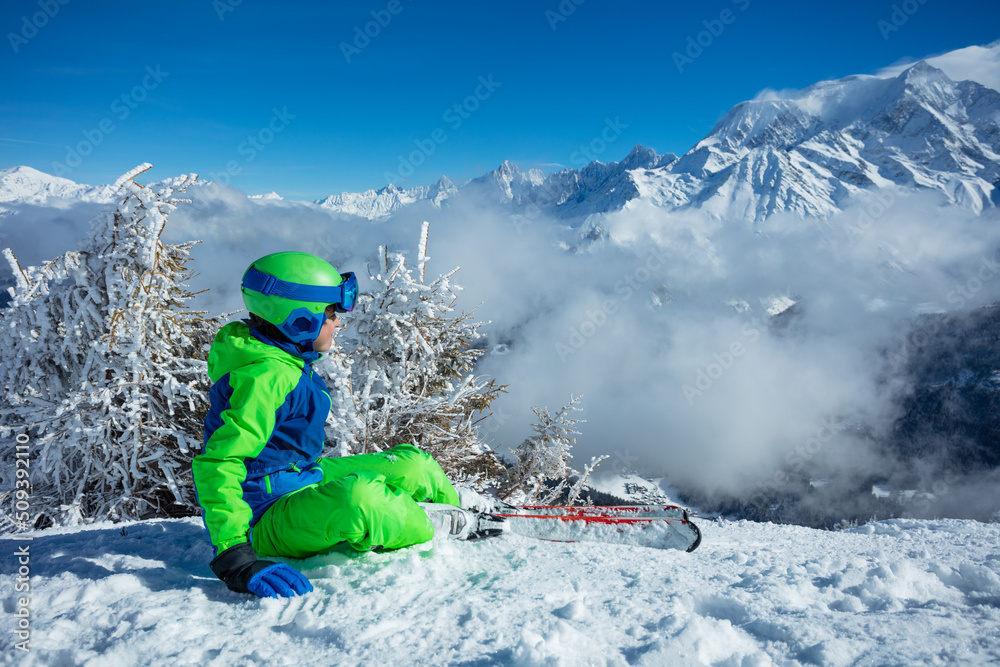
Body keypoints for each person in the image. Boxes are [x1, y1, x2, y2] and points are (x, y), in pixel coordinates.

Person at [193, 251, 505, 599]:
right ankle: (440, 523)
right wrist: (236, 558)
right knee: (360, 500)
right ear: (299, 321)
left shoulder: (282, 357)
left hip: (298, 477)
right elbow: (219, 463)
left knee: (412, 464)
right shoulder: (265, 377)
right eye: (330, 314)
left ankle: (454, 504)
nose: (338, 323)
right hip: (263, 517)